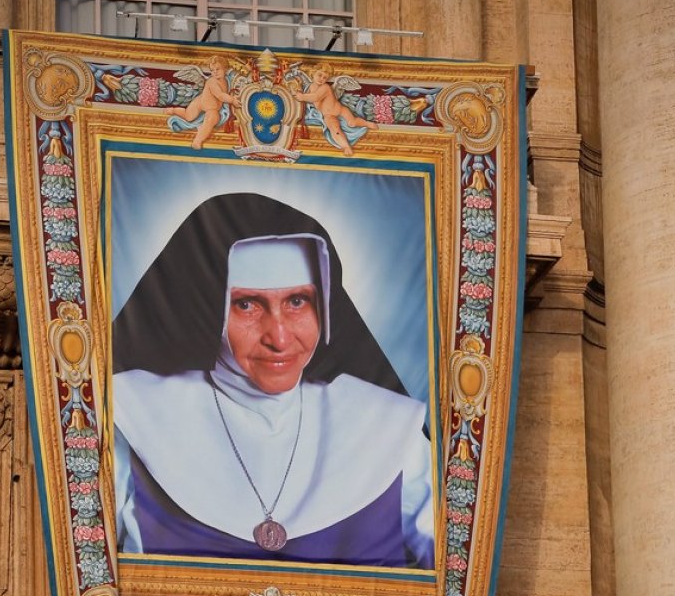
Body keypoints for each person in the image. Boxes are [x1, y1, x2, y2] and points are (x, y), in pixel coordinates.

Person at [111, 193, 434, 569]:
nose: (279, 338)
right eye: (247, 305)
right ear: (204, 307)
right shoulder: (133, 418)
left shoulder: (388, 427)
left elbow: (458, 574)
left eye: (298, 302)